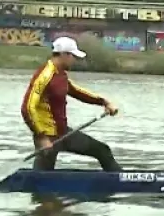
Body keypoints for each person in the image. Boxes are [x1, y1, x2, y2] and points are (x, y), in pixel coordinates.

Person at [21, 36, 121, 171]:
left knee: (102, 150)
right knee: (42, 177)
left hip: (63, 133)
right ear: (64, 54)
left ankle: (122, 181)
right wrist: (42, 137)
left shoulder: (60, 74)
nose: (74, 60)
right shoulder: (44, 76)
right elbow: (27, 107)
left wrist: (103, 102)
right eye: (73, 56)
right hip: (48, 137)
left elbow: (76, 91)